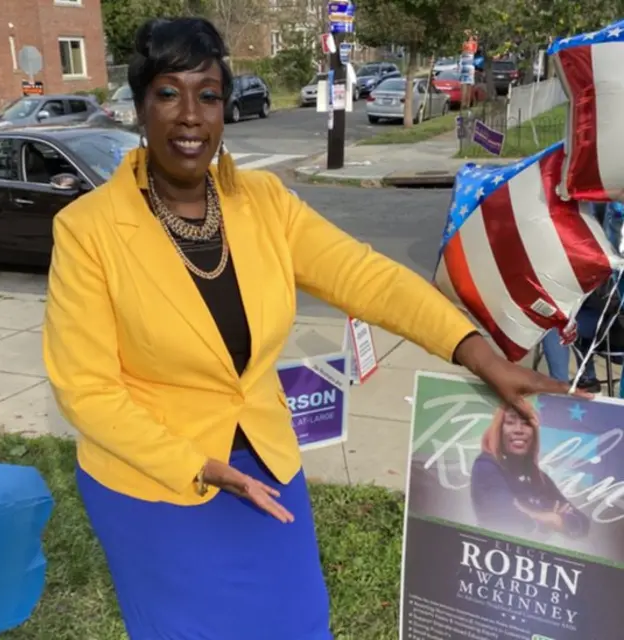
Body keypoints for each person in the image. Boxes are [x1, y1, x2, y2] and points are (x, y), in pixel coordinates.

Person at [42, 17, 582, 640]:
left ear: (225, 110)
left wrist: (480, 355)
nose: (190, 115)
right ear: (140, 107)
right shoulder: (89, 230)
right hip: (155, 481)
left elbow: (368, 278)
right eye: (169, 93)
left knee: (298, 623)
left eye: (208, 95)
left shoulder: (264, 202)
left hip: (265, 459)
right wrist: (201, 466)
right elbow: (87, 389)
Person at [470, 406, 589, 540]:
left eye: (526, 423)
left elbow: (582, 524)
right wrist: (546, 516)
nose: (519, 430)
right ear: (499, 431)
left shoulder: (539, 478)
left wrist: (556, 520)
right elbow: (505, 518)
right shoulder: (486, 465)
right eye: (510, 422)